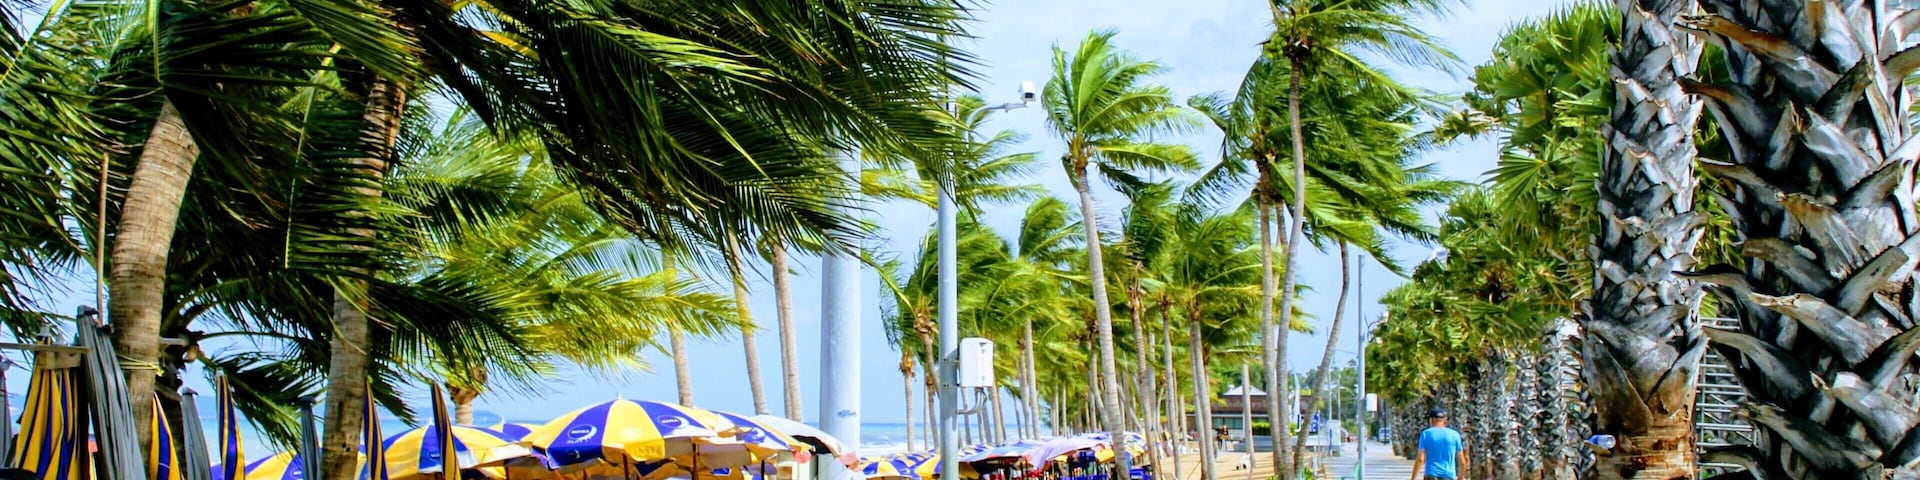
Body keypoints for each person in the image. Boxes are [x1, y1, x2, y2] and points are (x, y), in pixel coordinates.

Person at [1411, 408, 1467, 480]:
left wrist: (1413, 478)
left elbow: (1421, 459)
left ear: (1431, 420)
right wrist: (1460, 477)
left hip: (1431, 475)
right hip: (1448, 475)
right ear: (1444, 420)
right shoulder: (1455, 435)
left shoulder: (1426, 434)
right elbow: (1462, 461)